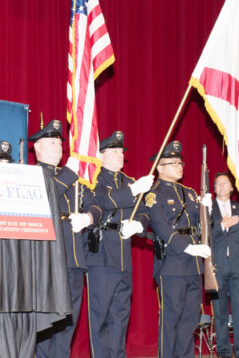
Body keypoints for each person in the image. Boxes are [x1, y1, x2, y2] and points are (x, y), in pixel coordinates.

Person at [31, 119, 101, 358]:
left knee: (68, 321)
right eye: (51, 142)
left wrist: (89, 217)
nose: (58, 146)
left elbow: (96, 203)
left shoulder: (73, 177)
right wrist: (70, 172)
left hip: (73, 260)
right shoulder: (31, 174)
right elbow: (44, 197)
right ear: (37, 147)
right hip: (47, 261)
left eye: (59, 142)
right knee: (47, 323)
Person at [138, 141, 211, 358]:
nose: (179, 166)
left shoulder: (189, 193)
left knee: (190, 320)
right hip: (172, 264)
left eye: (180, 162)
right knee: (171, 319)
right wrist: (189, 248)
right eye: (173, 163)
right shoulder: (154, 194)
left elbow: (204, 225)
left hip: (195, 264)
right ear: (160, 167)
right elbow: (160, 227)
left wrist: (208, 209)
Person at [85, 131, 153, 358]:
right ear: (100, 155)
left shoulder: (129, 181)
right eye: (114, 151)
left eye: (121, 151)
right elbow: (104, 201)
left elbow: (145, 212)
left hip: (123, 254)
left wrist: (139, 225)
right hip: (102, 254)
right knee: (101, 315)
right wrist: (133, 190)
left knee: (120, 315)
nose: (119, 155)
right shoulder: (94, 178)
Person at [210, 173, 239, 358]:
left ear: (232, 188)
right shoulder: (206, 209)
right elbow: (202, 236)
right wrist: (221, 224)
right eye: (217, 184)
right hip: (216, 268)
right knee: (220, 314)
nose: (221, 186)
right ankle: (224, 352)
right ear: (213, 189)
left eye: (224, 183)